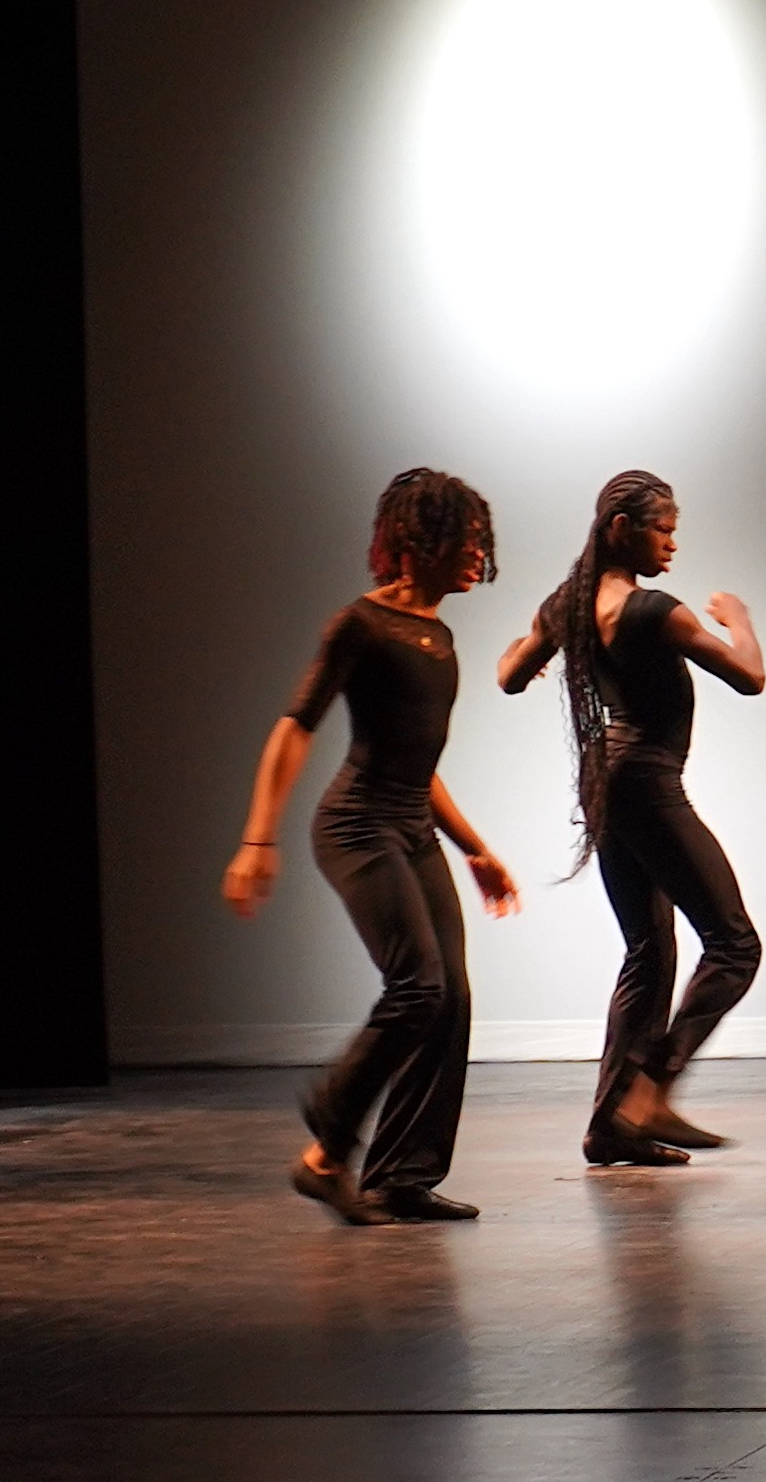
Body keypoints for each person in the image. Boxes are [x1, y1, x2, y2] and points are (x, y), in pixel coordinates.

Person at [223, 467, 520, 1226]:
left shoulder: (441, 635)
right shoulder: (359, 625)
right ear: (418, 540)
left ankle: (401, 1176)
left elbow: (420, 767)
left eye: (480, 541)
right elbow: (295, 727)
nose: (476, 554)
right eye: (465, 538)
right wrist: (259, 838)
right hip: (355, 825)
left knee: (449, 997)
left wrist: (475, 846)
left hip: (412, 826)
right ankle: (329, 1135)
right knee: (417, 985)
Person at [498, 470, 766, 1168]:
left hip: (607, 781)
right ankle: (652, 1088)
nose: (673, 542)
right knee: (736, 945)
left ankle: (610, 1125)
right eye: (663, 527)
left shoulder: (570, 605)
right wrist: (739, 618)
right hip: (646, 781)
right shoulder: (655, 610)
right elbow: (749, 675)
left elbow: (508, 672)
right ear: (622, 526)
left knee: (649, 952)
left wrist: (537, 648)